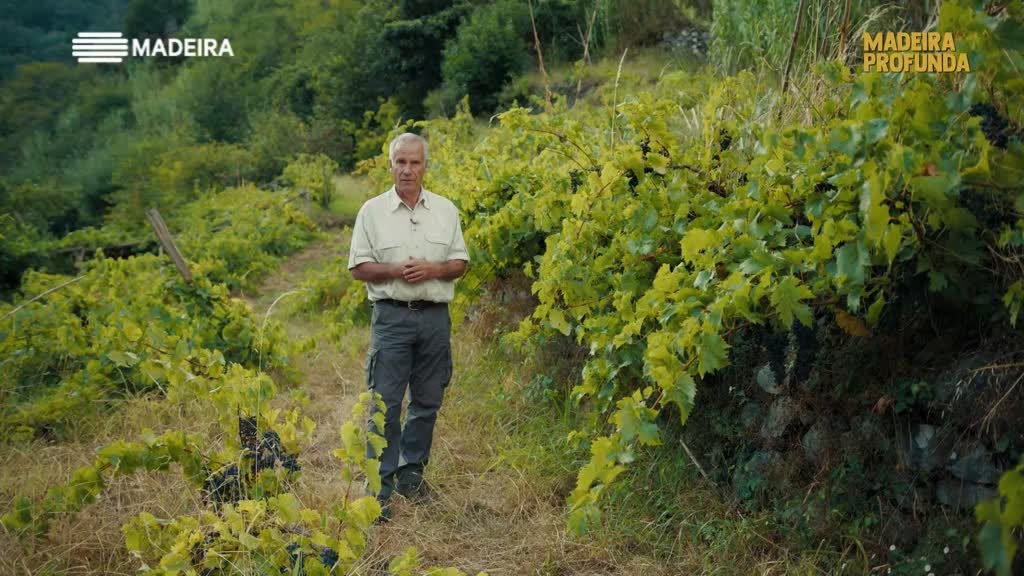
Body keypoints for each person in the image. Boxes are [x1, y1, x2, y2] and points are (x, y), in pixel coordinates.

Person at [347, 132, 469, 520]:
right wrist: (396, 270)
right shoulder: (371, 212)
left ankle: (411, 477)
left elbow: (460, 264)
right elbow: (358, 268)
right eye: (400, 162)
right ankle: (378, 493)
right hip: (392, 318)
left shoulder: (446, 211)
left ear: (425, 166)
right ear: (390, 165)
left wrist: (434, 268)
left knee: (427, 401)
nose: (407, 169)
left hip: (434, 319)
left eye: (415, 162)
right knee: (383, 405)